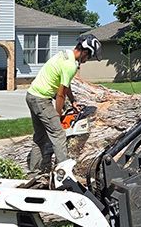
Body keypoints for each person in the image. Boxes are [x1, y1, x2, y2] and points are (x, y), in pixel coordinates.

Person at [24, 34, 102, 182]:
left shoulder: (65, 54)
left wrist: (72, 101)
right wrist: (58, 115)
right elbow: (60, 95)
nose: (86, 61)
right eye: (89, 57)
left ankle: (34, 174)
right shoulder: (70, 65)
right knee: (59, 134)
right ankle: (64, 176)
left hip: (31, 95)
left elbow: (65, 85)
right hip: (41, 99)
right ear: (85, 51)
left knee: (40, 137)